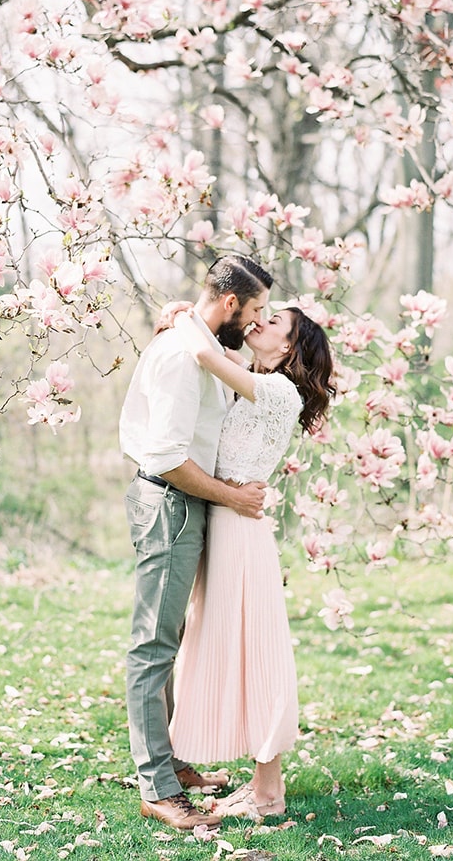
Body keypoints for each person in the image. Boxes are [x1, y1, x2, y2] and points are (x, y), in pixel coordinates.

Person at [119, 255, 273, 832]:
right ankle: (156, 786)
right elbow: (168, 459)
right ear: (231, 303)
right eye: (254, 310)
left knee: (171, 638)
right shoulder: (184, 358)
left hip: (183, 505)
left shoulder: (201, 343)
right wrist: (232, 498)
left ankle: (171, 763)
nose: (257, 323)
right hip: (169, 504)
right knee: (153, 644)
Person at [168, 305, 335, 820]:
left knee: (258, 654)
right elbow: (216, 350)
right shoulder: (255, 381)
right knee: (237, 651)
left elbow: (201, 350)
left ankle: (268, 794)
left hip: (241, 531)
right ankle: (261, 785)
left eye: (275, 322)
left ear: (289, 348)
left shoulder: (280, 390)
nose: (260, 322)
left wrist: (182, 318)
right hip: (226, 522)